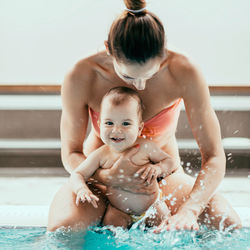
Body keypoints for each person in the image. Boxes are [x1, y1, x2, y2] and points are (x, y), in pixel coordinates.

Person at [47, 0, 241, 232]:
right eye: (129, 77)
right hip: (98, 179)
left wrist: (190, 210)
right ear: (109, 50)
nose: (139, 87)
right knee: (63, 230)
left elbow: (214, 157)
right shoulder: (82, 75)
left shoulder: (184, 72)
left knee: (227, 225)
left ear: (164, 52)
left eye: (151, 75)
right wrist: (109, 177)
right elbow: (71, 153)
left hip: (160, 179)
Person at [69, 86, 175, 228]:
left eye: (126, 123)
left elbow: (170, 162)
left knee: (166, 227)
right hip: (118, 211)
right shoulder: (101, 154)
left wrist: (159, 168)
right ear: (100, 125)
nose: (117, 130)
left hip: (152, 207)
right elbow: (77, 174)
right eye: (109, 123)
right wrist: (81, 190)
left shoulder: (145, 147)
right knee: (112, 232)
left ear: (139, 128)